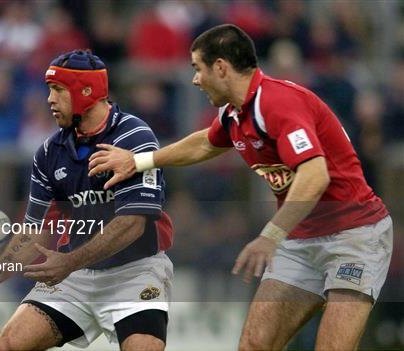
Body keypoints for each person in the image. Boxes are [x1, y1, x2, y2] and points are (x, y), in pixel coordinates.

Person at [88, 24, 393, 350]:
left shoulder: (277, 104)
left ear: (220, 67)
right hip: (301, 241)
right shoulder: (235, 113)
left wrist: (270, 236)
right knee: (254, 344)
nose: (194, 79)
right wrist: (140, 161)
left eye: (197, 68)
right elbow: (206, 143)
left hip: (354, 237)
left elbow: (315, 176)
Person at [0, 50, 173, 351]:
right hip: (76, 274)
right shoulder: (48, 152)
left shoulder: (134, 138)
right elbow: (34, 227)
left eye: (58, 90)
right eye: (49, 90)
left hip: (134, 272)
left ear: (86, 91)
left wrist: (69, 262)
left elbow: (132, 224)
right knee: (10, 344)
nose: (49, 99)